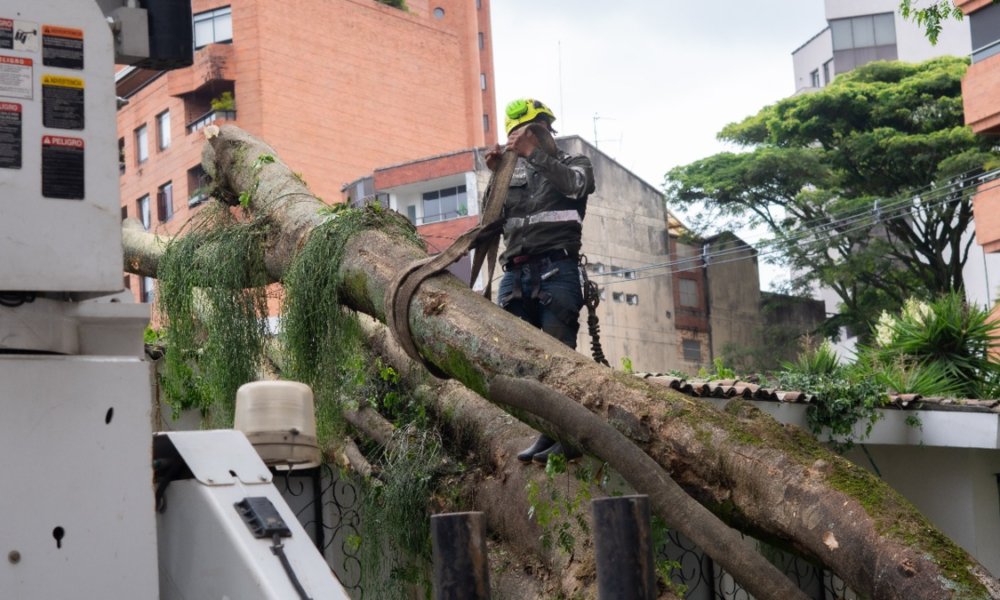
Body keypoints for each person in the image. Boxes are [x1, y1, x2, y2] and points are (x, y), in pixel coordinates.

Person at [485, 98, 596, 464]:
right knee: (523, 361)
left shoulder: (573, 163)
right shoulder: (511, 172)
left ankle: (571, 435)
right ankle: (548, 432)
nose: (525, 138)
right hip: (516, 274)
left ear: (548, 129)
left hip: (556, 273)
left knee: (558, 358)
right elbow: (491, 221)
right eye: (518, 134)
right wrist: (497, 174)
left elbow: (576, 187)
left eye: (531, 131)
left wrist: (534, 155)